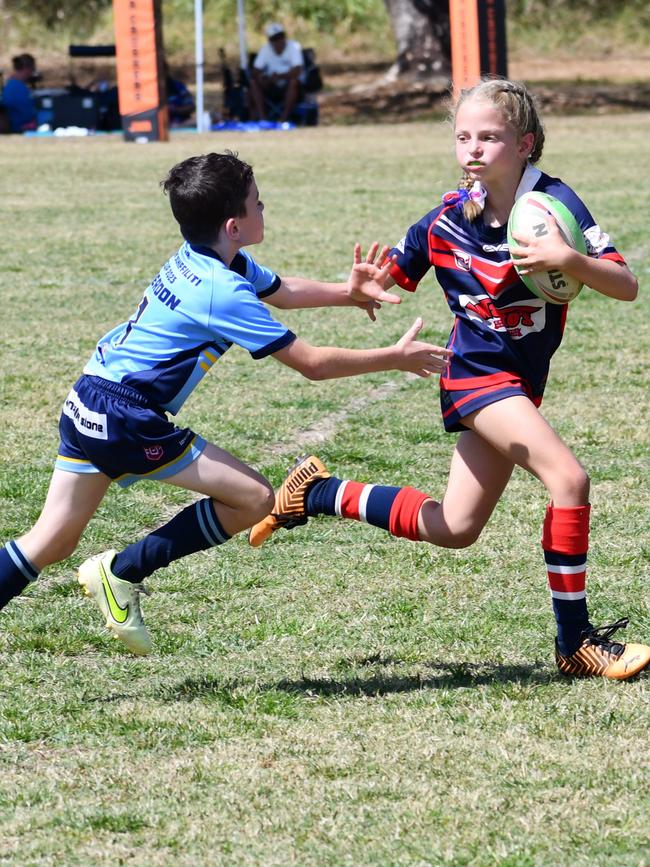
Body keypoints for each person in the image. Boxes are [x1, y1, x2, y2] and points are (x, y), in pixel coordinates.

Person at [249, 78, 650, 681]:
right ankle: (576, 643)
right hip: (474, 375)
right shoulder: (444, 221)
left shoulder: (555, 207)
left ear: (526, 143)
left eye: (489, 137)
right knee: (569, 479)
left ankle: (321, 493)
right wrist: (361, 287)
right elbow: (388, 280)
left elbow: (624, 284)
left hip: (519, 382)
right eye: (464, 136)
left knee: (455, 527)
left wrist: (570, 261)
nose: (473, 149)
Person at [0, 151, 450, 656]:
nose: (266, 207)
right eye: (259, 202)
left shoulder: (207, 257)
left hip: (89, 395)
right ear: (234, 225)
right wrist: (393, 357)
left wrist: (349, 293)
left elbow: (280, 291)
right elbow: (313, 364)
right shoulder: (222, 290)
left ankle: (113, 572)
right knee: (255, 497)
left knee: (51, 540)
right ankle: (120, 571)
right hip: (125, 414)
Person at [249, 23, 303, 123]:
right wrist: (265, 78)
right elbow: (256, 71)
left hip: (287, 85)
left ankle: (284, 119)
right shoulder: (265, 49)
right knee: (253, 83)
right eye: (275, 39)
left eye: (280, 37)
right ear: (270, 40)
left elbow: (297, 70)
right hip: (270, 85)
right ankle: (263, 119)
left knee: (294, 82)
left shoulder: (294, 46)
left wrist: (280, 76)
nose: (279, 41)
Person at [2, 53, 38, 133]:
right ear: (26, 68)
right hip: (20, 126)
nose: (33, 73)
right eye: (32, 69)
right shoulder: (18, 88)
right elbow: (28, 114)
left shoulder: (11, 85)